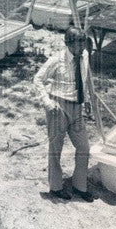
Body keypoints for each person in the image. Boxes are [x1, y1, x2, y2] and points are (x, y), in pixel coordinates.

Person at [33, 26, 95, 202]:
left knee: (84, 148)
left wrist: (87, 99)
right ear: (68, 43)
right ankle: (56, 187)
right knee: (55, 149)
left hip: (77, 108)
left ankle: (79, 185)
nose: (82, 46)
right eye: (78, 42)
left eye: (84, 41)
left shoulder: (85, 56)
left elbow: (84, 77)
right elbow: (37, 79)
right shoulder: (56, 60)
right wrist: (47, 102)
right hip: (58, 108)